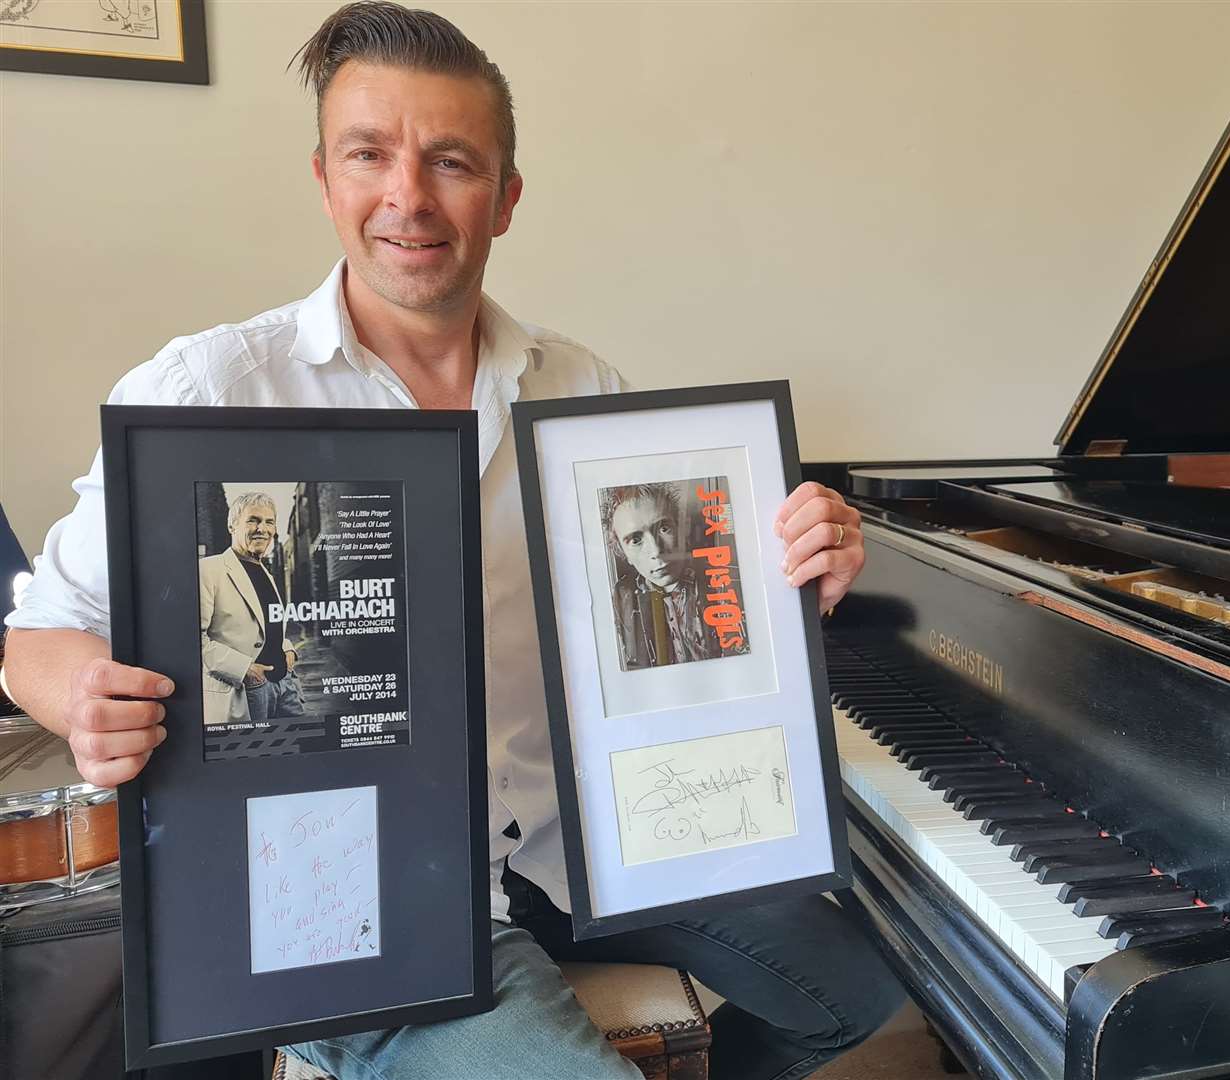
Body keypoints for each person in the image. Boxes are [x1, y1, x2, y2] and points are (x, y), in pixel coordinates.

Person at [0, 4, 897, 1079]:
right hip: (358, 901)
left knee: (879, 977)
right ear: (326, 178)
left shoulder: (585, 392)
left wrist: (797, 565)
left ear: (507, 197)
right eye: (369, 155)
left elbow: (675, 618)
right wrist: (83, 695)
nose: (408, 198)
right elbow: (39, 635)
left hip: (588, 848)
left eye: (452, 162)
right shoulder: (206, 392)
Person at [602, 482, 745, 670]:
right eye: (636, 540)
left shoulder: (728, 579)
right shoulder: (621, 599)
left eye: (664, 529)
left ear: (682, 529)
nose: (656, 550)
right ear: (623, 553)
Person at [198, 491, 300, 726]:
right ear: (232, 525)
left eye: (269, 522)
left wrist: (288, 648)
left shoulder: (266, 571)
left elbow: (268, 626)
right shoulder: (208, 570)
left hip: (285, 686)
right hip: (246, 688)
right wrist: (245, 670)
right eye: (253, 520)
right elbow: (192, 641)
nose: (262, 529)